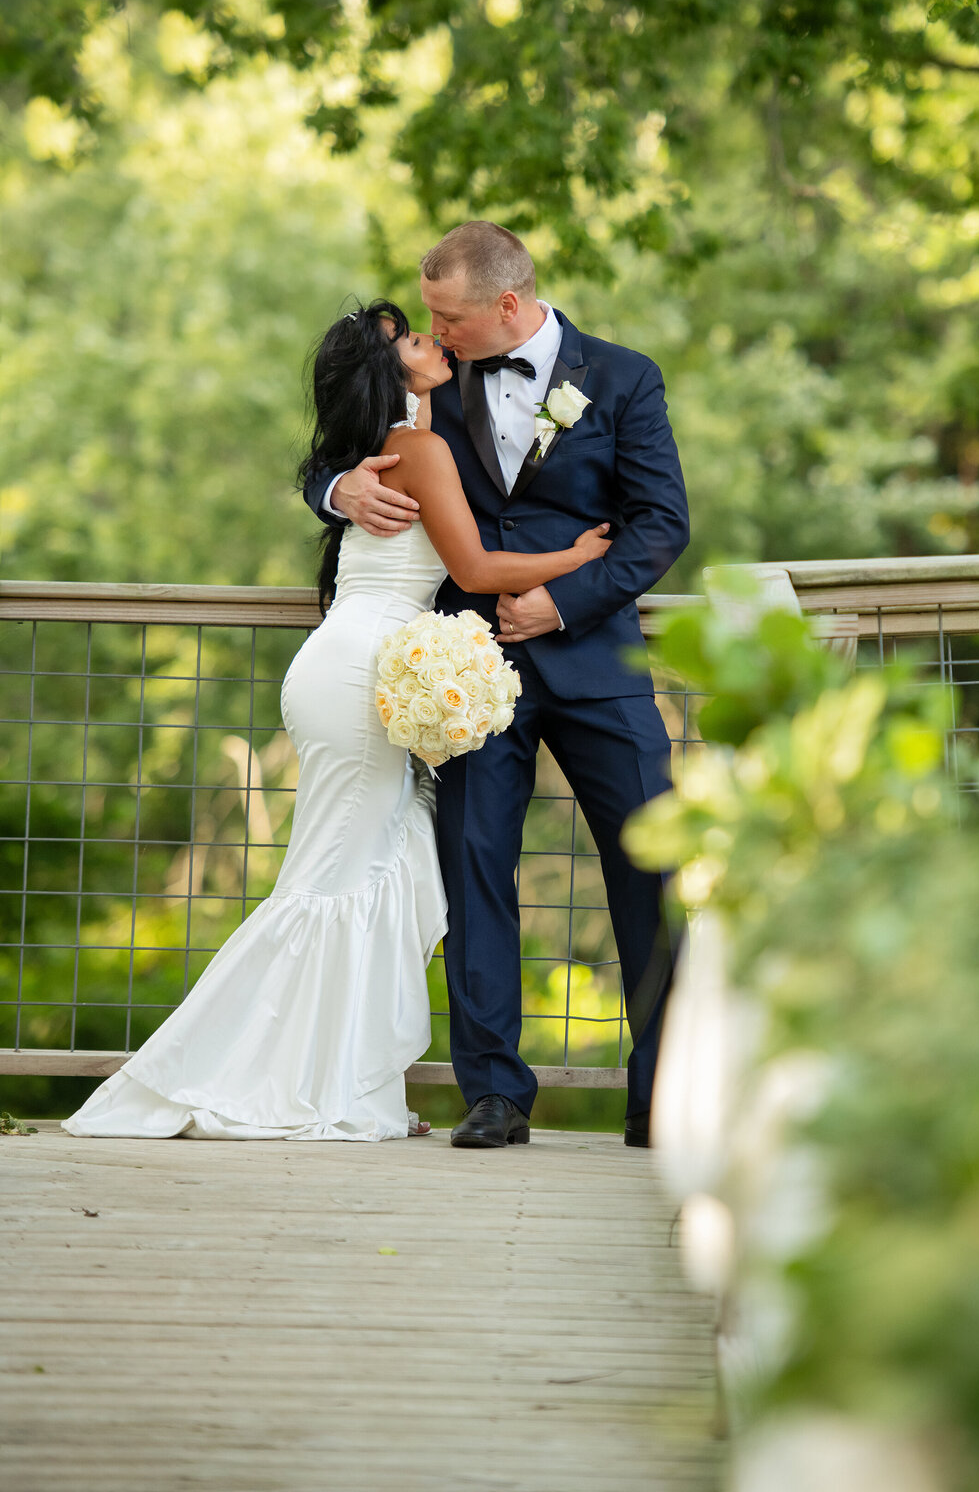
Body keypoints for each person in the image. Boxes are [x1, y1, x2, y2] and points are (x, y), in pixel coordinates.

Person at [63, 301, 611, 1142]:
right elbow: (475, 564)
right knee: (326, 883)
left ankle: (346, 1082)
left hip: (350, 667)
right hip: (359, 677)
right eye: (409, 340)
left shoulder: (400, 445)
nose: (430, 338)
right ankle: (241, 1078)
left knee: (361, 873)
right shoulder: (413, 450)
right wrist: (574, 560)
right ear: (388, 374)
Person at [306, 221, 689, 1148]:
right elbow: (337, 443)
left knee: (653, 867)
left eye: (449, 316)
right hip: (466, 673)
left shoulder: (624, 378)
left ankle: (665, 1098)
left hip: (597, 664)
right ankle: (494, 1095)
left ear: (507, 304)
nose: (435, 335)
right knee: (474, 867)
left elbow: (659, 524)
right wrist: (336, 489)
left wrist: (559, 603)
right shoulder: (430, 384)